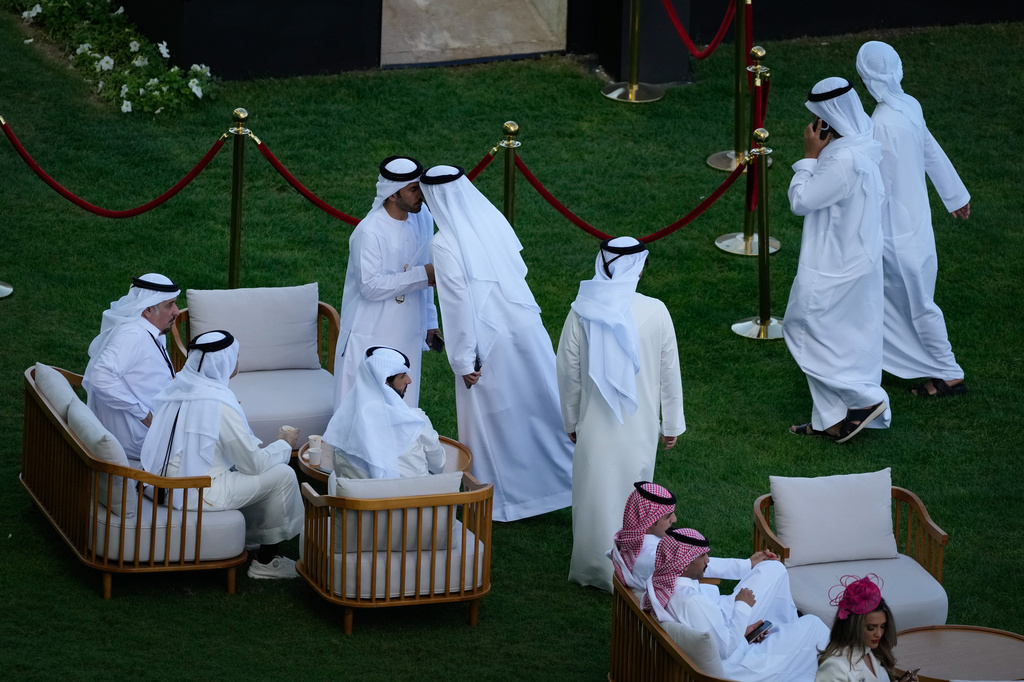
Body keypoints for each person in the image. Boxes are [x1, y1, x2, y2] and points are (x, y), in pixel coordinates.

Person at [419, 164, 573, 522]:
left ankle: (505, 499)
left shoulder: (443, 243)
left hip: (487, 343)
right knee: (543, 407)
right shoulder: (491, 220)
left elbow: (456, 304)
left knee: (493, 423)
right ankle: (568, 482)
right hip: (526, 328)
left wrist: (462, 360)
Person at [556, 237, 685, 591]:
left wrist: (571, 420)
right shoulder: (656, 310)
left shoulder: (580, 309)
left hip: (594, 426)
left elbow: (567, 371)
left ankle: (592, 569)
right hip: (639, 427)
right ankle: (628, 572)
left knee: (594, 495)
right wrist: (671, 423)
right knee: (635, 499)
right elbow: (668, 371)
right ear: (639, 268)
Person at [856, 41, 971, 399]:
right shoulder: (909, 106)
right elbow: (929, 148)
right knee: (904, 300)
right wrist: (955, 195)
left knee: (915, 304)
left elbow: (880, 187)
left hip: (895, 231)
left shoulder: (880, 123)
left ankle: (949, 372)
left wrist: (859, 230)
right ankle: (873, 363)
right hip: (916, 223)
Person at [140, 330, 303, 579]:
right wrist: (283, 444)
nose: (237, 362)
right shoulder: (217, 403)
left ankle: (250, 537)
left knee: (251, 468)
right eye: (234, 357)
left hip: (159, 486)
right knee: (282, 474)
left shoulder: (178, 387)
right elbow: (253, 463)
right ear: (224, 363)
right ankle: (266, 563)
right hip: (194, 491)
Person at [784, 77, 890, 444]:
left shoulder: (843, 160)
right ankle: (829, 419)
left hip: (833, 264)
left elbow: (801, 201)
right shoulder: (864, 140)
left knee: (802, 331)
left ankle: (865, 401)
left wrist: (809, 157)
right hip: (859, 259)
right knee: (847, 339)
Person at [644, 528, 830, 682]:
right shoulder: (692, 602)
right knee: (813, 626)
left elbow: (715, 638)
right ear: (683, 565)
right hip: (740, 668)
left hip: (732, 650)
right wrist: (742, 606)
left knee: (777, 576)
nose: (708, 560)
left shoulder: (660, 586)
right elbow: (726, 648)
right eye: (702, 556)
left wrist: (744, 631)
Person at [334, 156, 440, 409]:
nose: (420, 196)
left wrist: (430, 321)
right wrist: (423, 275)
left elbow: (426, 265)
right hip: (372, 328)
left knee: (403, 399)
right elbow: (369, 286)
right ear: (393, 194)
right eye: (413, 190)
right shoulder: (368, 232)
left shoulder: (422, 216)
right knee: (362, 402)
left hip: (408, 326)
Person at [83, 273, 180, 464]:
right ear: (147, 310)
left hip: (155, 425)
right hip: (140, 437)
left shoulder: (152, 331)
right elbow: (100, 376)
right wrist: (143, 414)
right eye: (169, 305)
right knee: (215, 428)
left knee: (217, 412)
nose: (176, 311)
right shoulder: (133, 335)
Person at [323, 345, 446, 479]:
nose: (409, 380)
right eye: (403, 376)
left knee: (333, 479)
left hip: (361, 498)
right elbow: (438, 465)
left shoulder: (341, 426)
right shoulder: (416, 421)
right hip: (416, 497)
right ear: (385, 382)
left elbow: (341, 473)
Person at [816, 574, 916, 682]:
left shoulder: (874, 653)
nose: (879, 634)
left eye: (883, 626)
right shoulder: (834, 667)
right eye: (871, 628)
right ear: (852, 627)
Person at [608, 481, 677, 593]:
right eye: (668, 516)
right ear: (649, 521)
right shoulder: (655, 558)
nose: (674, 519)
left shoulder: (625, 539)